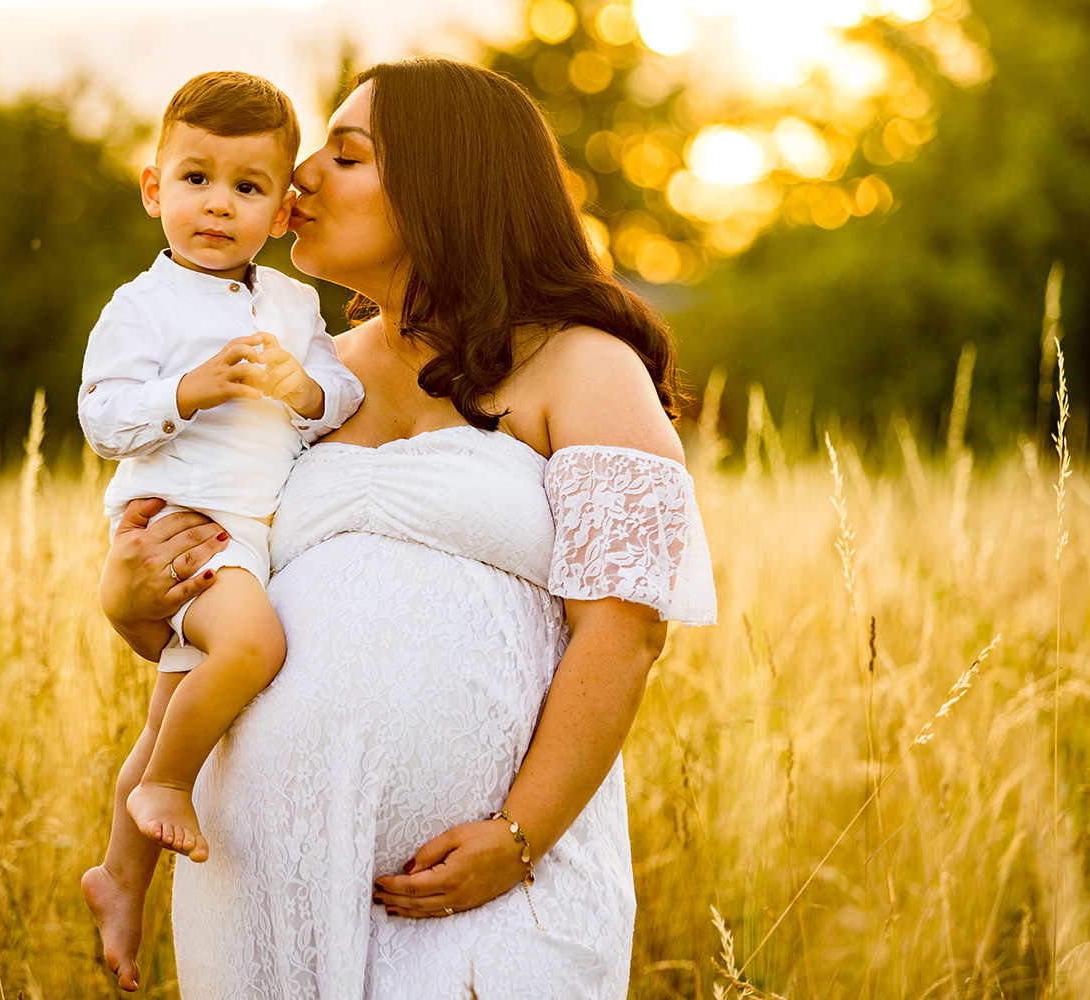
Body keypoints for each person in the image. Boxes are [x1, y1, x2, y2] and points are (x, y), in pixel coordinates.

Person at [97, 56, 716, 998]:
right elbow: (203, 606)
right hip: (265, 890)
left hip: (491, 887)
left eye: (343, 156)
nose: (300, 178)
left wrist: (522, 837)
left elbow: (626, 631)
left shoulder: (583, 367)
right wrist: (133, 604)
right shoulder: (297, 377)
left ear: (445, 188)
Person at [77, 71, 362, 990]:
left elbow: (340, 396)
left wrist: (306, 391)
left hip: (251, 529)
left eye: (247, 188)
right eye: (196, 178)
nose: (217, 204)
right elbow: (102, 417)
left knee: (165, 715)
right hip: (182, 526)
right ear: (155, 187)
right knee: (253, 645)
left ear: (282, 210)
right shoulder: (142, 307)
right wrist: (184, 392)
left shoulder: (292, 308)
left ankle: (120, 879)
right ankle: (167, 788)